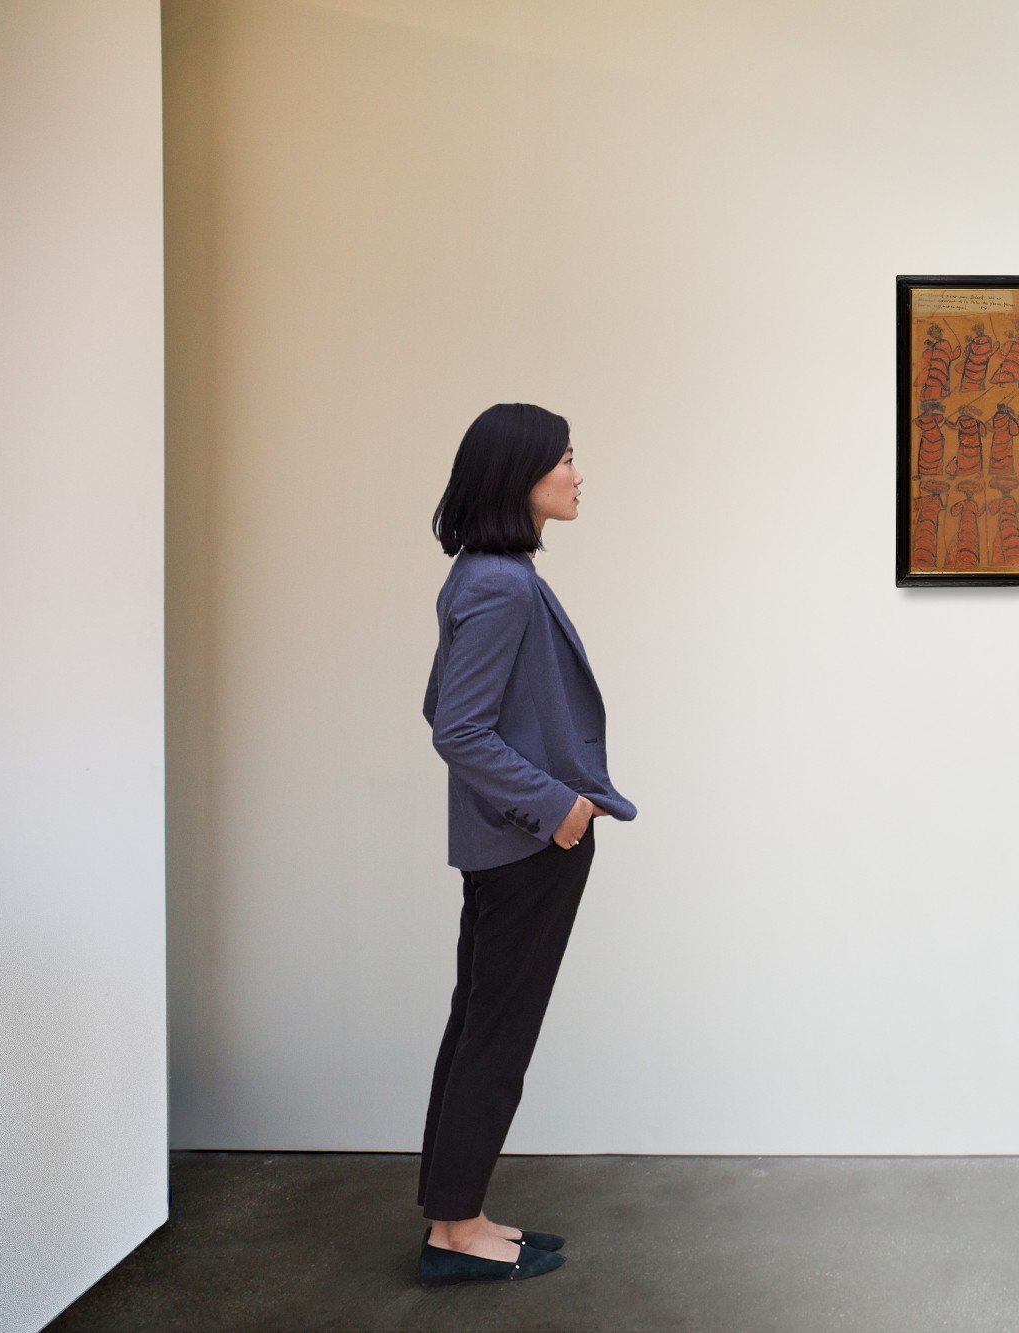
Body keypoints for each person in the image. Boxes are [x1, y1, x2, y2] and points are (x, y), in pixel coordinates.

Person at [417, 402, 637, 1285]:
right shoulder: (502, 584)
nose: (579, 474)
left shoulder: (485, 572)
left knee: (479, 1027)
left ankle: (455, 1219)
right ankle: (457, 1232)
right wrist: (558, 808)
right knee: (495, 1037)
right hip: (525, 846)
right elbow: (459, 728)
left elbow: (443, 710)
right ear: (522, 476)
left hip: (506, 843)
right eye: (567, 459)